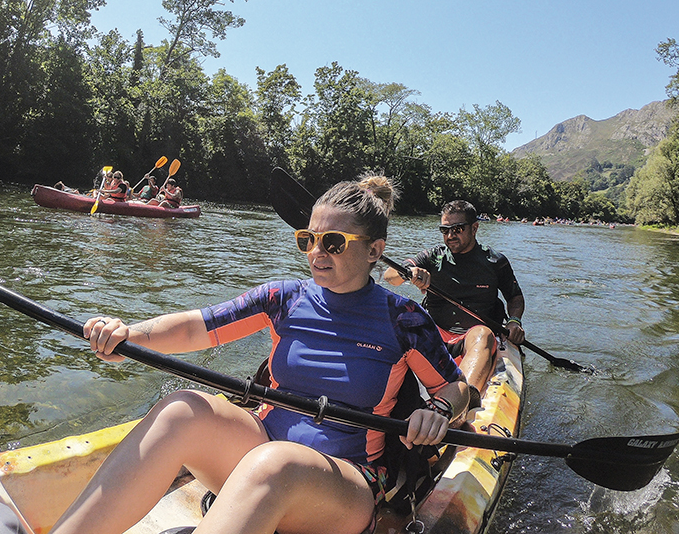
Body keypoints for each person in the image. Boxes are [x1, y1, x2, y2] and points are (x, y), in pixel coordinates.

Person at [52, 174, 468, 534]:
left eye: (334, 243)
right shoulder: (282, 298)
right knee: (182, 410)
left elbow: (458, 388)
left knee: (276, 464)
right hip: (260, 448)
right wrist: (129, 335)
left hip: (347, 483)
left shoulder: (404, 319)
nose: (316, 253)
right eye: (309, 239)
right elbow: (199, 325)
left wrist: (440, 410)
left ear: (374, 251)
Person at [383, 199, 525, 402]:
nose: (450, 236)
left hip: (474, 338)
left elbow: (515, 297)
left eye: (457, 229)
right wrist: (410, 272)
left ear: (474, 228)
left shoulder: (496, 261)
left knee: (483, 334)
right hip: (434, 335)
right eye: (445, 229)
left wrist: (514, 321)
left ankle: (460, 401)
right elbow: (390, 275)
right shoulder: (432, 257)